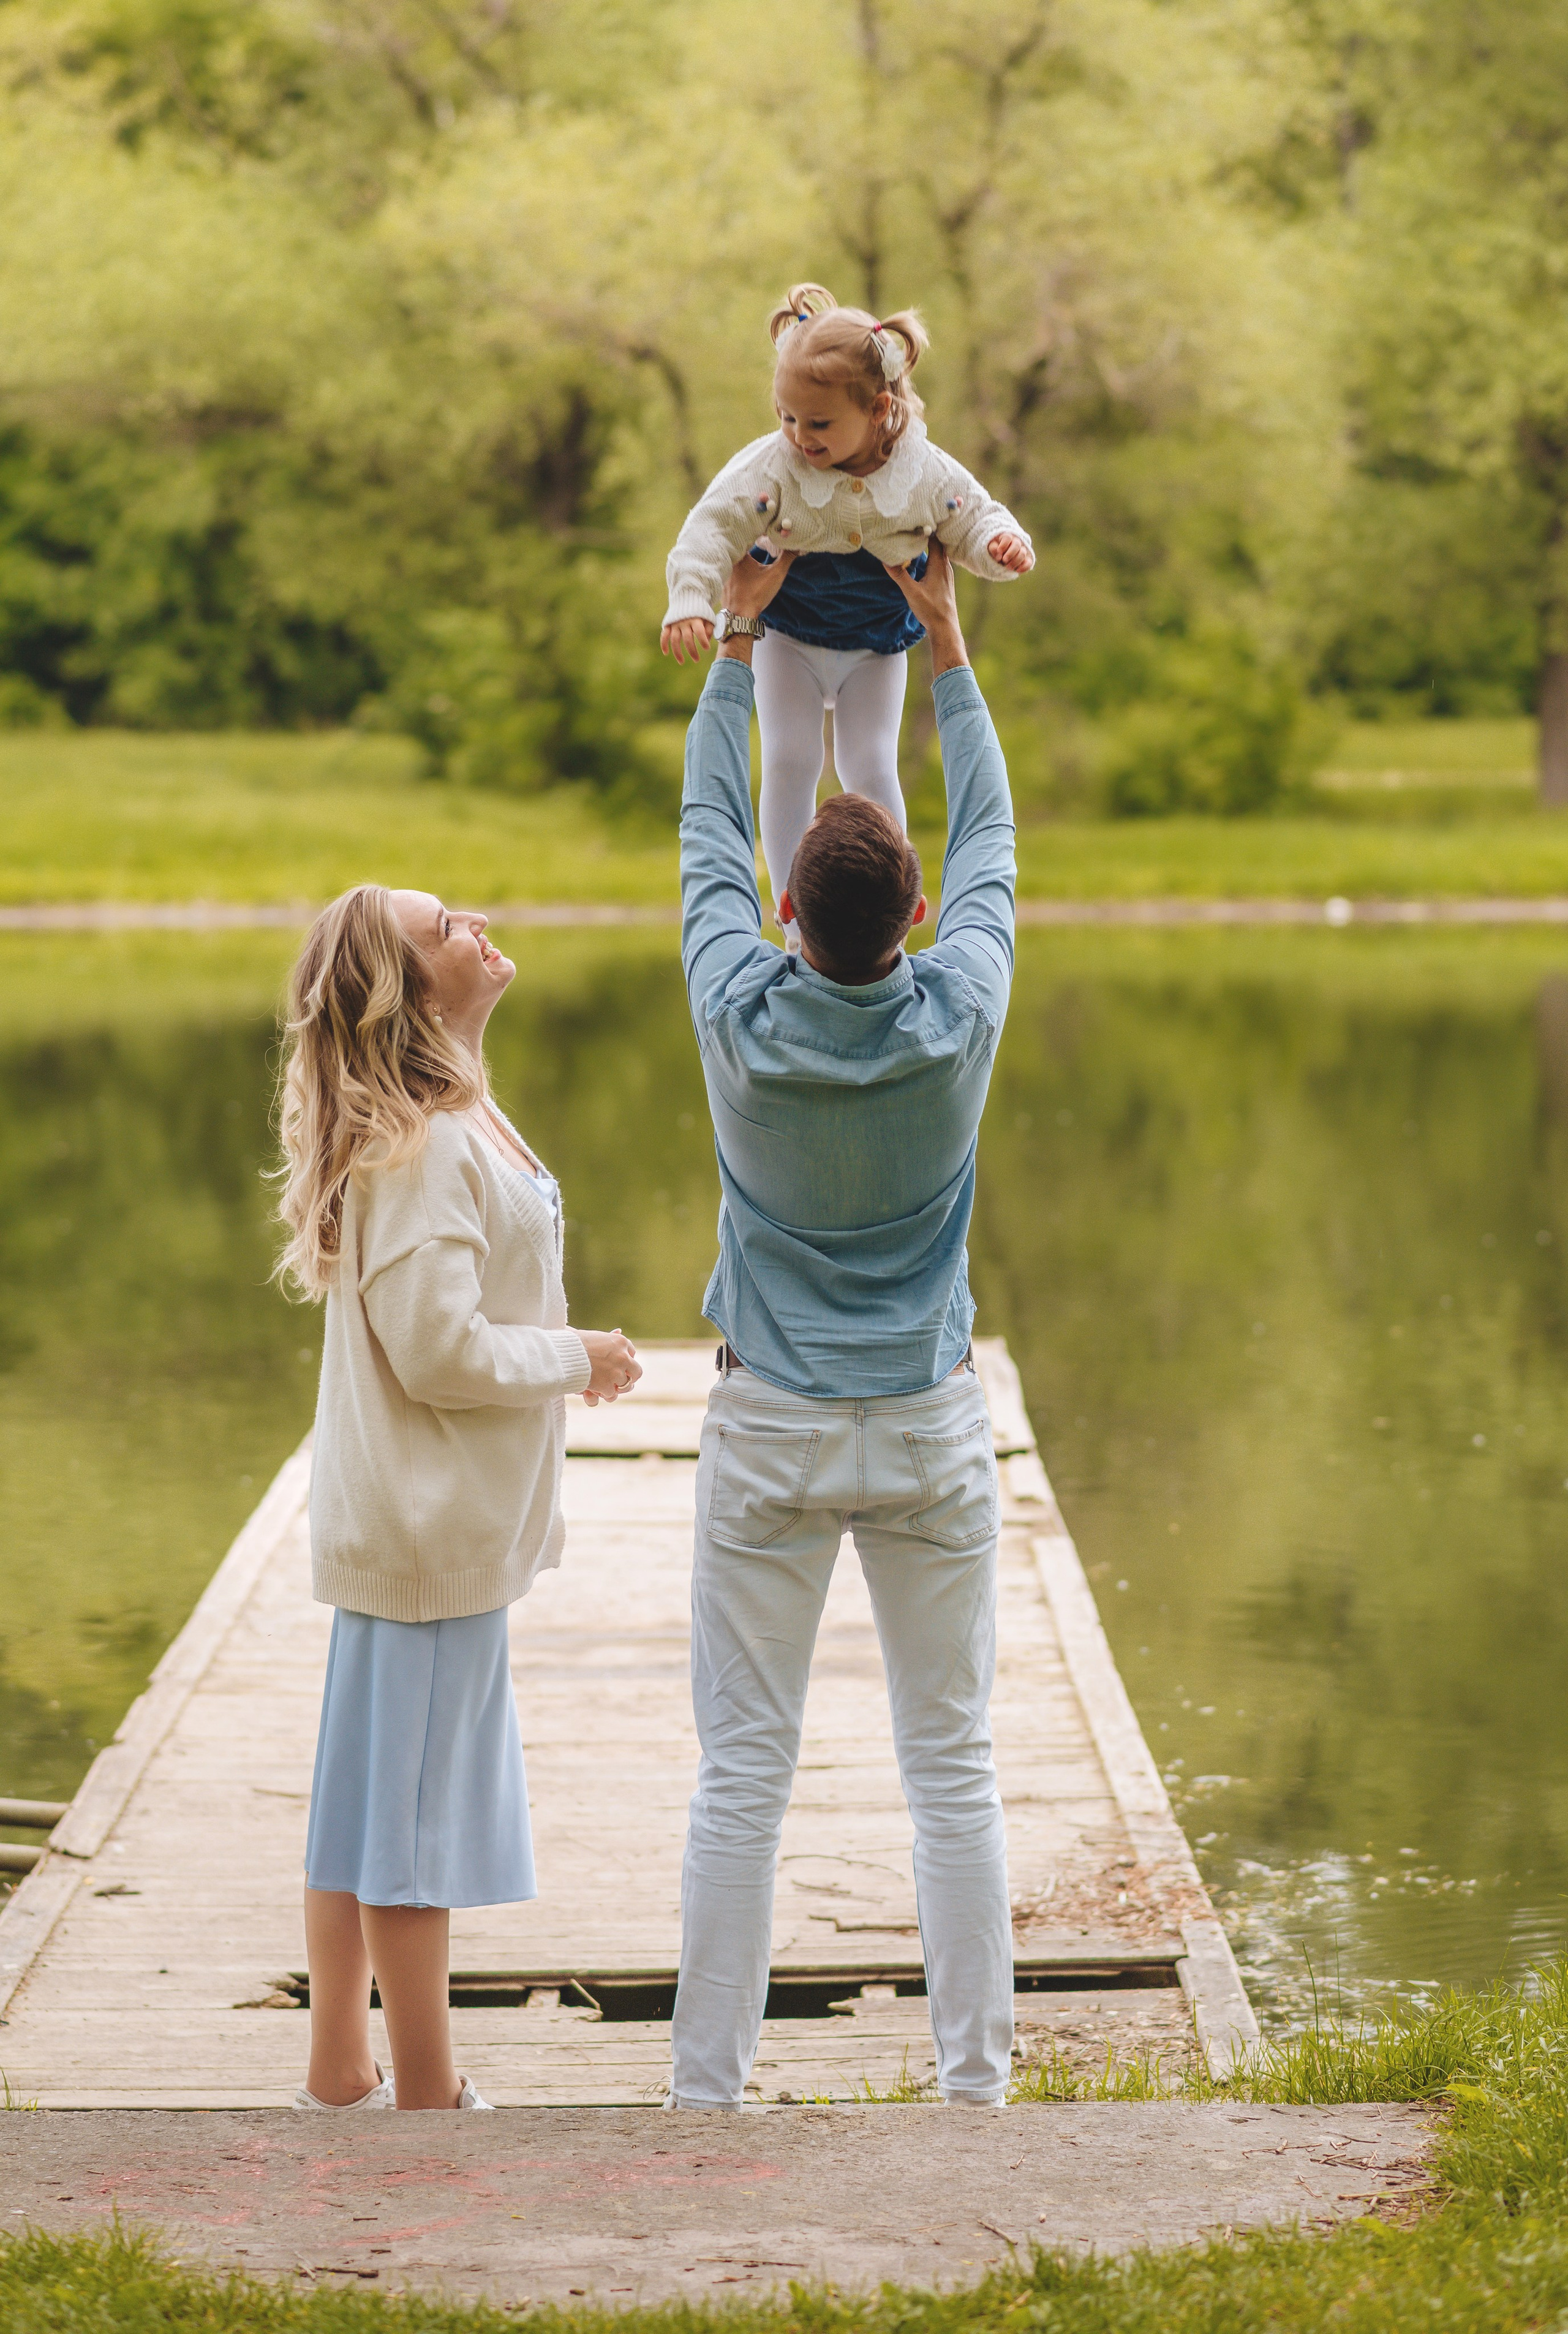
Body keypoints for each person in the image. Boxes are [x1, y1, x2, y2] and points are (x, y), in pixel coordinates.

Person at [671, 537, 1017, 2109]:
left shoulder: (737, 1010)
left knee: (742, 1775)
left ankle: (706, 2095)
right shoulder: (956, 1020)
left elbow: (706, 828)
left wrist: (740, 638)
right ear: (918, 915)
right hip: (930, 1424)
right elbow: (993, 832)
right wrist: (943, 642)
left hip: (769, 1429)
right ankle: (973, 2092)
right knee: (951, 1771)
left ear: (785, 909)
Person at [272, 884, 640, 2112]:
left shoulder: (454, 1113)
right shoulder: (424, 1147)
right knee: (412, 1825)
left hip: (418, 1528)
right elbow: (439, 1350)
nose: (476, 924)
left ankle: (339, 2065)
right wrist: (575, 1357)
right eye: (446, 928)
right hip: (425, 1535)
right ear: (417, 991)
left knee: (364, 1797)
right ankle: (427, 2099)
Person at [661, 282, 1033, 948]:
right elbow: (711, 527)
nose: (800, 438)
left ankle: (886, 910)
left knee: (870, 765)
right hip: (790, 638)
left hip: (876, 647)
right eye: (787, 418)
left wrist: (1003, 549)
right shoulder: (772, 468)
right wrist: (690, 598)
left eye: (819, 424)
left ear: (880, 408)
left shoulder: (921, 470)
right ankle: (793, 908)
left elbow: (973, 517)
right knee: (791, 758)